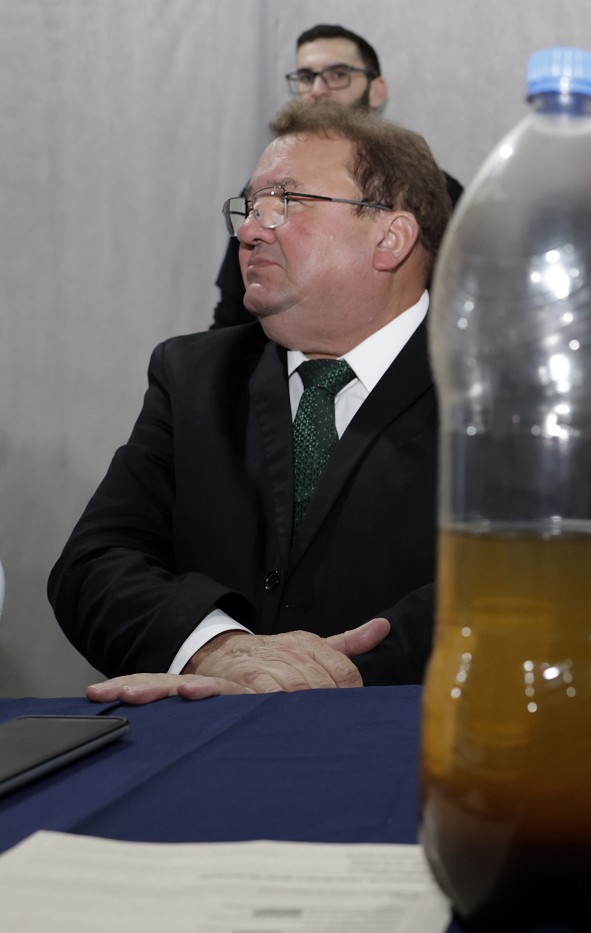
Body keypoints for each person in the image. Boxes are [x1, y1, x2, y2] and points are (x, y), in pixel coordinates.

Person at [50, 101, 453, 704]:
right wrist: (219, 647)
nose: (248, 232)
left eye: (285, 202)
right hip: (209, 740)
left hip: (413, 738)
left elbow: (542, 578)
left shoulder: (505, 387)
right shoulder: (194, 378)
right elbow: (94, 565)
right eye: (249, 207)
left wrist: (338, 671)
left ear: (389, 237)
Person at [212, 24, 463, 329]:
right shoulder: (261, 193)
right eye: (306, 77)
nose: (318, 89)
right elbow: (232, 317)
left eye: (338, 74)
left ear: (377, 90)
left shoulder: (442, 193)